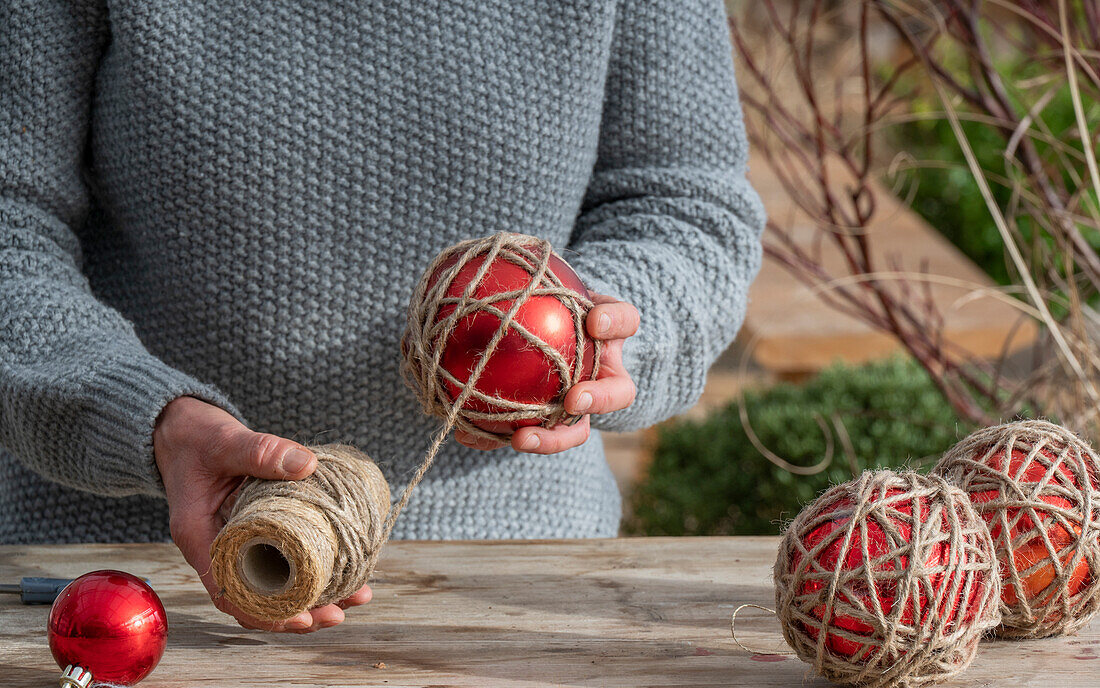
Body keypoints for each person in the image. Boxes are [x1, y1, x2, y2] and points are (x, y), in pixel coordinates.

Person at [0, 0, 764, 632]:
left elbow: (686, 203)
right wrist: (140, 417)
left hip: (513, 602)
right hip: (115, 595)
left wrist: (600, 336)